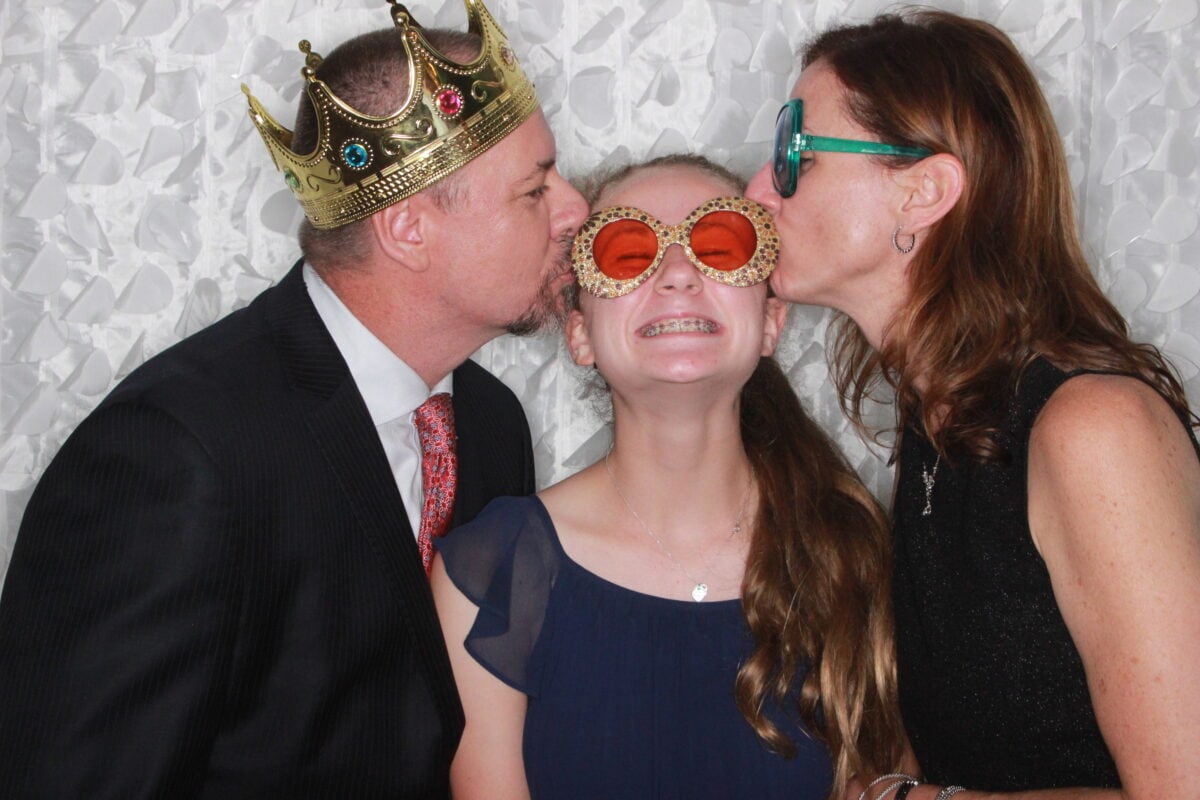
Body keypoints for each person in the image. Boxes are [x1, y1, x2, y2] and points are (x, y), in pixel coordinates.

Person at [0, 0, 586, 796]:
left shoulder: (488, 422)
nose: (575, 208)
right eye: (535, 189)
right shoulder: (173, 454)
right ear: (408, 230)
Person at [744, 10, 1200, 800]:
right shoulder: (940, 428)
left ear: (923, 192)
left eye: (797, 157)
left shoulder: (1091, 428)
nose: (758, 190)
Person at [431, 153, 904, 800]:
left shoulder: (856, 552)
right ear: (579, 334)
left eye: (721, 246)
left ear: (771, 322)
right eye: (626, 253)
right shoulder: (492, 575)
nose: (678, 273)